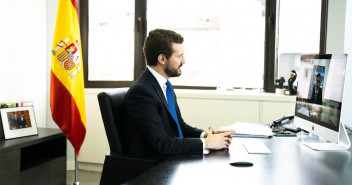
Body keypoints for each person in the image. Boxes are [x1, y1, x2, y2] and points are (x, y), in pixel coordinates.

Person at [122, 29, 235, 159]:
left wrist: (206, 136)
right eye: (179, 56)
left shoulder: (164, 86)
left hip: (171, 158)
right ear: (162, 59)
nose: (184, 60)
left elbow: (180, 127)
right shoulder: (142, 92)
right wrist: (207, 143)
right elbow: (161, 143)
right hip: (154, 168)